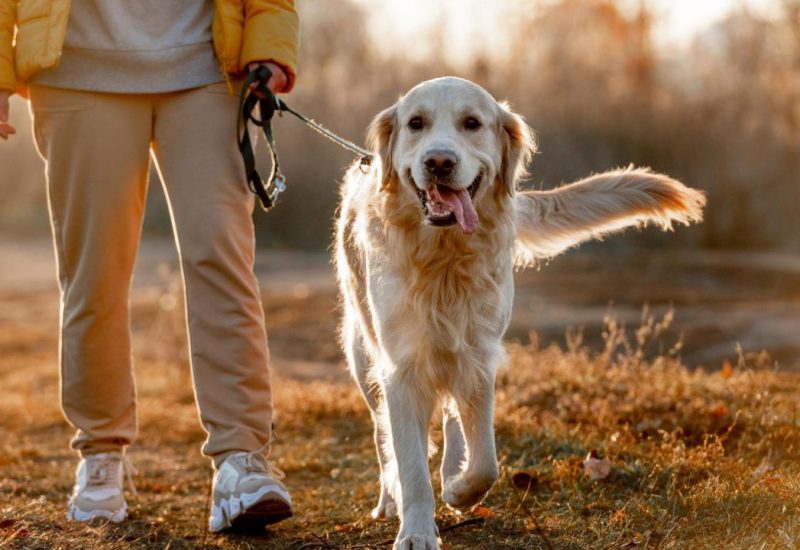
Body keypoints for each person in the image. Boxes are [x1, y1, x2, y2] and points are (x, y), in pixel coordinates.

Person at [0, 0, 299, 533]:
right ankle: (100, 457)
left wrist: (270, 45)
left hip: (210, 64)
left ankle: (240, 460)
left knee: (222, 260)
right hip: (76, 70)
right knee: (93, 275)